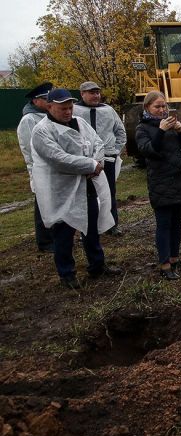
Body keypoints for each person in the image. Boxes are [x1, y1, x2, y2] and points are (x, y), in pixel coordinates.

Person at [31, 88, 120, 289]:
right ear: (50, 106)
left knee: (91, 227)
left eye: (70, 107)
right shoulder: (42, 131)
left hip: (86, 185)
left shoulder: (80, 122)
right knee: (64, 232)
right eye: (63, 108)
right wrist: (89, 165)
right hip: (62, 190)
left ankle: (97, 265)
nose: (68, 112)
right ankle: (67, 273)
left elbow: (97, 142)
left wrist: (97, 162)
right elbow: (57, 158)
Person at [135, 91, 181, 280]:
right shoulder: (142, 129)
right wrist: (161, 131)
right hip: (160, 182)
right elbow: (150, 151)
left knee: (177, 223)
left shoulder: (171, 126)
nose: (162, 110)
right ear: (147, 108)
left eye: (164, 106)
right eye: (157, 107)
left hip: (179, 180)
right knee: (164, 224)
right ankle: (165, 264)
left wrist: (180, 132)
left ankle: (175, 259)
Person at [74, 81, 127, 236]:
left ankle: (111, 224)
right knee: (84, 193)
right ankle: (87, 226)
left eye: (97, 92)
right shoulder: (75, 111)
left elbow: (120, 131)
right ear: (82, 94)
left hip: (107, 159)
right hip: (83, 160)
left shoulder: (108, 110)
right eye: (91, 92)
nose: (95, 95)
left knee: (108, 191)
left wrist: (115, 150)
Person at [16, 81, 54, 252]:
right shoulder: (29, 120)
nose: (49, 101)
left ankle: (54, 237)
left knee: (54, 202)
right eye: (46, 99)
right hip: (41, 169)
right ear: (35, 101)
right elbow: (30, 148)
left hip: (54, 167)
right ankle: (45, 242)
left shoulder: (48, 116)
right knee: (42, 204)